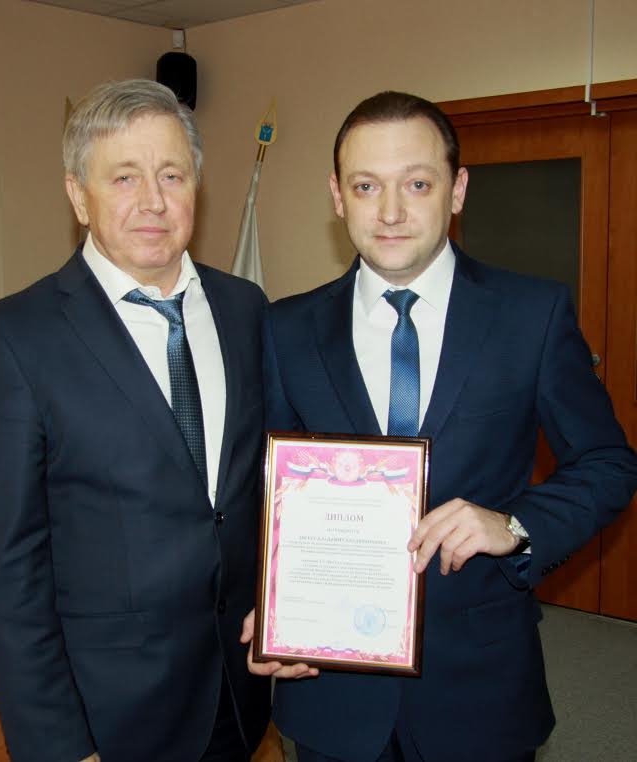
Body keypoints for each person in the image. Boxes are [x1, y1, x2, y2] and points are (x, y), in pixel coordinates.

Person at [244, 92, 637, 762]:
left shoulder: (530, 315)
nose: (390, 212)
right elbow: (265, 490)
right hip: (330, 686)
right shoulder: (285, 328)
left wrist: (515, 525)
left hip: (479, 684)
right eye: (366, 186)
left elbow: (608, 462)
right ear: (337, 196)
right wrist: (272, 600)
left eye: (417, 184)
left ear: (457, 190)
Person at [0, 79, 270, 762]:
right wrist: (59, 746)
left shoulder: (246, 310)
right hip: (107, 722)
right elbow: (6, 574)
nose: (153, 201)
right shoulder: (12, 341)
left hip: (239, 697)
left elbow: (261, 490)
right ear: (78, 196)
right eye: (124, 177)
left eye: (171, 175)